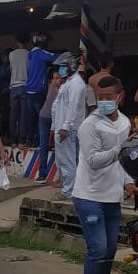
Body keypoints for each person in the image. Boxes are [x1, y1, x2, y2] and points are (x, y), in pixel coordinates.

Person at [72, 75, 138, 274]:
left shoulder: (125, 122)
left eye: (108, 98)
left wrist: (128, 182)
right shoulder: (89, 125)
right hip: (88, 195)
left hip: (111, 196)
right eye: (100, 98)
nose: (104, 102)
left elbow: (124, 161)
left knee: (110, 249)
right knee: (99, 249)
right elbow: (93, 160)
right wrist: (121, 148)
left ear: (119, 96)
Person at [51, 52, 87, 200]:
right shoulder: (68, 84)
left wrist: (65, 127)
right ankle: (72, 189)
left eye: (63, 66)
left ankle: (68, 191)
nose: (61, 69)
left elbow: (72, 108)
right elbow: (58, 107)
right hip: (63, 127)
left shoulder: (76, 84)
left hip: (68, 129)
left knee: (68, 162)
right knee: (69, 161)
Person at [24, 32, 57, 148]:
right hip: (38, 90)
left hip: (28, 90)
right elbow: (55, 57)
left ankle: (30, 140)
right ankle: (40, 141)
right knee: (41, 118)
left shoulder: (31, 54)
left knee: (30, 118)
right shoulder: (40, 53)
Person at [37, 70, 63, 183]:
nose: (55, 80)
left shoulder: (52, 86)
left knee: (46, 146)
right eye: (54, 78)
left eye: (58, 78)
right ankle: (43, 174)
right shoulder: (62, 89)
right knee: (50, 146)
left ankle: (43, 174)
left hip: (47, 116)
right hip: (49, 118)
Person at [8, 33, 30, 145]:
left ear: (17, 42)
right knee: (23, 114)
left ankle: (12, 140)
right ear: (28, 42)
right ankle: (22, 140)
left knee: (13, 114)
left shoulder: (11, 54)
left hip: (14, 87)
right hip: (25, 86)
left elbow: (11, 69)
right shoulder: (29, 54)